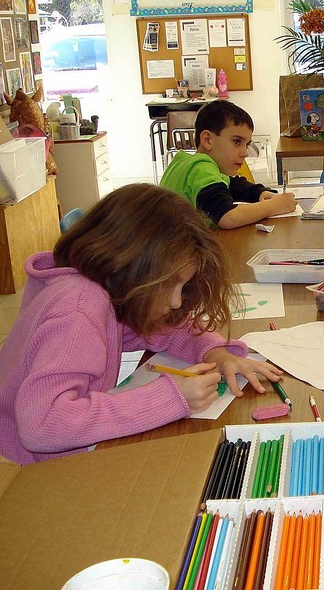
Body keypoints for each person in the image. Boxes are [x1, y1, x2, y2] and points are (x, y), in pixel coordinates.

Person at [0, 185, 283, 465]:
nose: (176, 302)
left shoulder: (106, 289)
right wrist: (171, 398)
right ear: (132, 267)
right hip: (32, 468)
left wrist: (216, 353)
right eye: (170, 285)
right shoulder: (79, 310)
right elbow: (42, 425)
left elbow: (164, 330)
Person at [160, 100, 297, 229]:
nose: (245, 153)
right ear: (207, 140)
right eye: (237, 142)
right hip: (181, 245)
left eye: (246, 145)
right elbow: (228, 217)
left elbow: (235, 185)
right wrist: (274, 206)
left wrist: (260, 192)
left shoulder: (183, 163)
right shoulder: (202, 168)